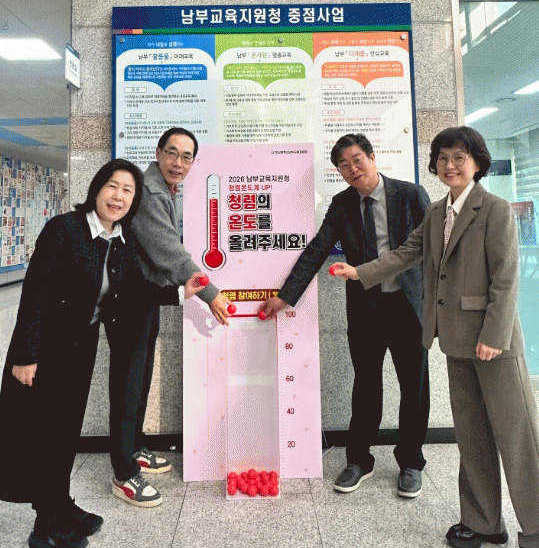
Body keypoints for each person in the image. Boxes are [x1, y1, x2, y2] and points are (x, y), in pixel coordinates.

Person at [335, 126, 539, 548]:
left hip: (494, 344)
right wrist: (360, 272)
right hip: (456, 341)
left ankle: (535, 529)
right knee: (472, 436)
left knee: (517, 439)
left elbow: (506, 278)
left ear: (477, 162)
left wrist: (494, 334)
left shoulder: (495, 208)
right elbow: (407, 253)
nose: (449, 165)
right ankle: (483, 523)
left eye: (459, 157)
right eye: (442, 158)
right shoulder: (436, 212)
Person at [0, 158, 204, 548]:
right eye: (113, 186)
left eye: (128, 190)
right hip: (45, 351)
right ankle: (46, 527)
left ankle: (61, 504)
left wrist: (181, 292)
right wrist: (26, 354)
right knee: (45, 435)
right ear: (97, 189)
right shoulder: (65, 229)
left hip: (81, 348)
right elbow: (36, 294)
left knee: (65, 432)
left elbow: (134, 292)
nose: (118, 196)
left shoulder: (120, 239)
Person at [258, 133, 430, 498]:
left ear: (372, 157)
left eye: (357, 160)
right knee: (365, 385)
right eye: (343, 165)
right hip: (366, 310)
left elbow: (431, 250)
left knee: (414, 387)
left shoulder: (410, 195)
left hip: (408, 306)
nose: (352, 169)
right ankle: (359, 460)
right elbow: (317, 250)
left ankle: (411, 462)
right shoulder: (342, 204)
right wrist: (285, 296)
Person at [125, 127, 230, 488]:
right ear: (158, 153)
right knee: (129, 382)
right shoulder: (150, 192)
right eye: (172, 153)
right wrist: (210, 292)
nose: (178, 163)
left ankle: (134, 447)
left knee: (139, 379)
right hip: (130, 301)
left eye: (186, 157)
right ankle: (124, 468)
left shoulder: (163, 189)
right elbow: (169, 251)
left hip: (145, 296)